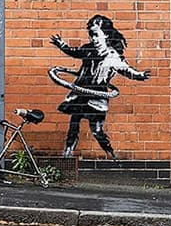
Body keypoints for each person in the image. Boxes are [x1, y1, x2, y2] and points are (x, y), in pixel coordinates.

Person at [49, 15, 150, 160]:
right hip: (80, 95)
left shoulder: (112, 57)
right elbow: (74, 52)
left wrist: (139, 75)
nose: (93, 39)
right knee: (73, 125)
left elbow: (126, 69)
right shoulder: (88, 50)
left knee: (96, 131)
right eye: (91, 35)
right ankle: (67, 155)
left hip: (97, 99)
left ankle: (111, 155)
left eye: (96, 35)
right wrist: (62, 45)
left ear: (106, 34)